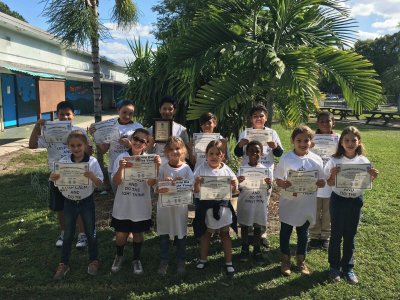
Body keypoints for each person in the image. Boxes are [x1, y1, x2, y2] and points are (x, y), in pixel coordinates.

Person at [29, 101, 89, 249]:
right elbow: (32, 145)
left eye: (68, 114)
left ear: (73, 115)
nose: (65, 117)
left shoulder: (80, 131)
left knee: (79, 204)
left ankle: (82, 235)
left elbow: (89, 152)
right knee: (60, 207)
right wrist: (37, 126)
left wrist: (87, 143)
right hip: (57, 175)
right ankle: (64, 232)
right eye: (61, 114)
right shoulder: (49, 130)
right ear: (57, 115)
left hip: (77, 173)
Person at [325, 126, 378, 284]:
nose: (350, 143)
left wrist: (372, 177)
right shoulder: (334, 160)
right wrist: (332, 175)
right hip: (338, 199)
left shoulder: (363, 161)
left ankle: (348, 268)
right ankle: (334, 267)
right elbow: (328, 182)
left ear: (359, 142)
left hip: (355, 200)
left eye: (353, 140)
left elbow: (364, 183)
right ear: (341, 142)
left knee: (350, 235)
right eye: (346, 140)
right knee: (336, 234)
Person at [50, 130, 103, 280]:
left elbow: (99, 184)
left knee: (90, 232)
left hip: (86, 201)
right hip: (69, 202)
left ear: (85, 145)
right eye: (72, 145)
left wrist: (92, 176)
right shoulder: (64, 162)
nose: (76, 148)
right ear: (68, 146)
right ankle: (64, 263)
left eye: (79, 145)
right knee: (68, 234)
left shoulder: (92, 162)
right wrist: (53, 177)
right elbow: (56, 181)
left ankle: (94, 260)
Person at [275, 125, 325, 276]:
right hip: (290, 201)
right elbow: (278, 178)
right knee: (285, 232)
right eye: (299, 140)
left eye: (306, 140)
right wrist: (282, 183)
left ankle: (301, 260)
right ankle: (285, 260)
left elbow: (321, 180)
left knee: (303, 233)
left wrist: (320, 183)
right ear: (293, 141)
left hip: (307, 202)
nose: (303, 144)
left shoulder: (316, 160)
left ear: (311, 141)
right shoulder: (286, 158)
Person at [109, 128, 161, 274]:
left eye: (142, 141)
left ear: (146, 144)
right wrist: (121, 168)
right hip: (123, 204)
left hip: (141, 205)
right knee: (120, 234)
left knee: (138, 234)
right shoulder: (122, 157)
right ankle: (119, 256)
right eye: (136, 139)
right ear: (131, 140)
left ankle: (136, 259)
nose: (138, 142)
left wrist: (156, 167)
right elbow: (116, 181)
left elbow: (151, 183)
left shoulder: (150, 159)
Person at [235, 104, 283, 249]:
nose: (258, 119)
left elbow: (279, 153)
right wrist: (239, 145)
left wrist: (274, 146)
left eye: (261, 116)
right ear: (251, 119)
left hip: (265, 172)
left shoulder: (272, 133)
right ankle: (248, 231)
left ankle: (262, 233)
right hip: (248, 172)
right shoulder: (245, 133)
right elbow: (238, 153)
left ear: (266, 118)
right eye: (255, 116)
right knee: (249, 200)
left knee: (263, 202)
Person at [193, 140, 238, 277]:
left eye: (217, 154)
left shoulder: (226, 169)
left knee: (225, 234)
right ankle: (203, 259)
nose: (214, 156)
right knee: (206, 234)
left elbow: (234, 190)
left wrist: (234, 184)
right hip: (206, 207)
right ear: (206, 155)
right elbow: (195, 191)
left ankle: (229, 261)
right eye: (210, 153)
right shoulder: (201, 169)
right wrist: (197, 183)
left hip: (222, 206)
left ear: (222, 156)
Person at [156, 137, 194, 275]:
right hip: (165, 207)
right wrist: (163, 183)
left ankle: (181, 260)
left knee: (181, 234)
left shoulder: (186, 168)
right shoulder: (163, 168)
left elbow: (193, 186)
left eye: (177, 148)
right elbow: (156, 186)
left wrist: (182, 182)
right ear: (166, 152)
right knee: (164, 235)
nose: (174, 151)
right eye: (171, 149)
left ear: (183, 150)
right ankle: (164, 260)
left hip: (180, 208)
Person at [89, 100, 143, 195]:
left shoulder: (138, 127)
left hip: (133, 167)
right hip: (114, 167)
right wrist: (95, 135)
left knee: (133, 196)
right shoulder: (110, 125)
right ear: (118, 110)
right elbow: (104, 149)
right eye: (124, 112)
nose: (127, 116)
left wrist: (130, 145)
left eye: (131, 113)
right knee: (118, 196)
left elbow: (143, 149)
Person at [237, 141, 272, 265]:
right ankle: (244, 248)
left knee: (257, 226)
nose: (254, 154)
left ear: (261, 154)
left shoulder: (266, 170)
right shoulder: (242, 169)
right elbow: (237, 187)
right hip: (246, 202)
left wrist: (268, 183)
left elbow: (268, 189)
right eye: (251, 151)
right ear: (247, 152)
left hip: (259, 202)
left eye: (257, 151)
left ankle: (257, 250)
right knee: (245, 226)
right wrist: (238, 181)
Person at [309, 111, 340, 250]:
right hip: (314, 177)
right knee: (314, 209)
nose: (325, 123)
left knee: (328, 210)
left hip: (331, 179)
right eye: (321, 121)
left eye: (328, 121)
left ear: (333, 122)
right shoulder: (311, 138)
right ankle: (314, 236)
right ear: (317, 123)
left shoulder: (338, 138)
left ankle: (326, 236)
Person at [148, 96, 189, 165]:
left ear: (174, 111)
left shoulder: (182, 130)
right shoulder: (151, 130)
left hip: (175, 167)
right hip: (157, 166)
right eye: (164, 109)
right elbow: (146, 152)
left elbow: (186, 151)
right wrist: (151, 144)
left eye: (170, 109)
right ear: (160, 110)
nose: (167, 112)